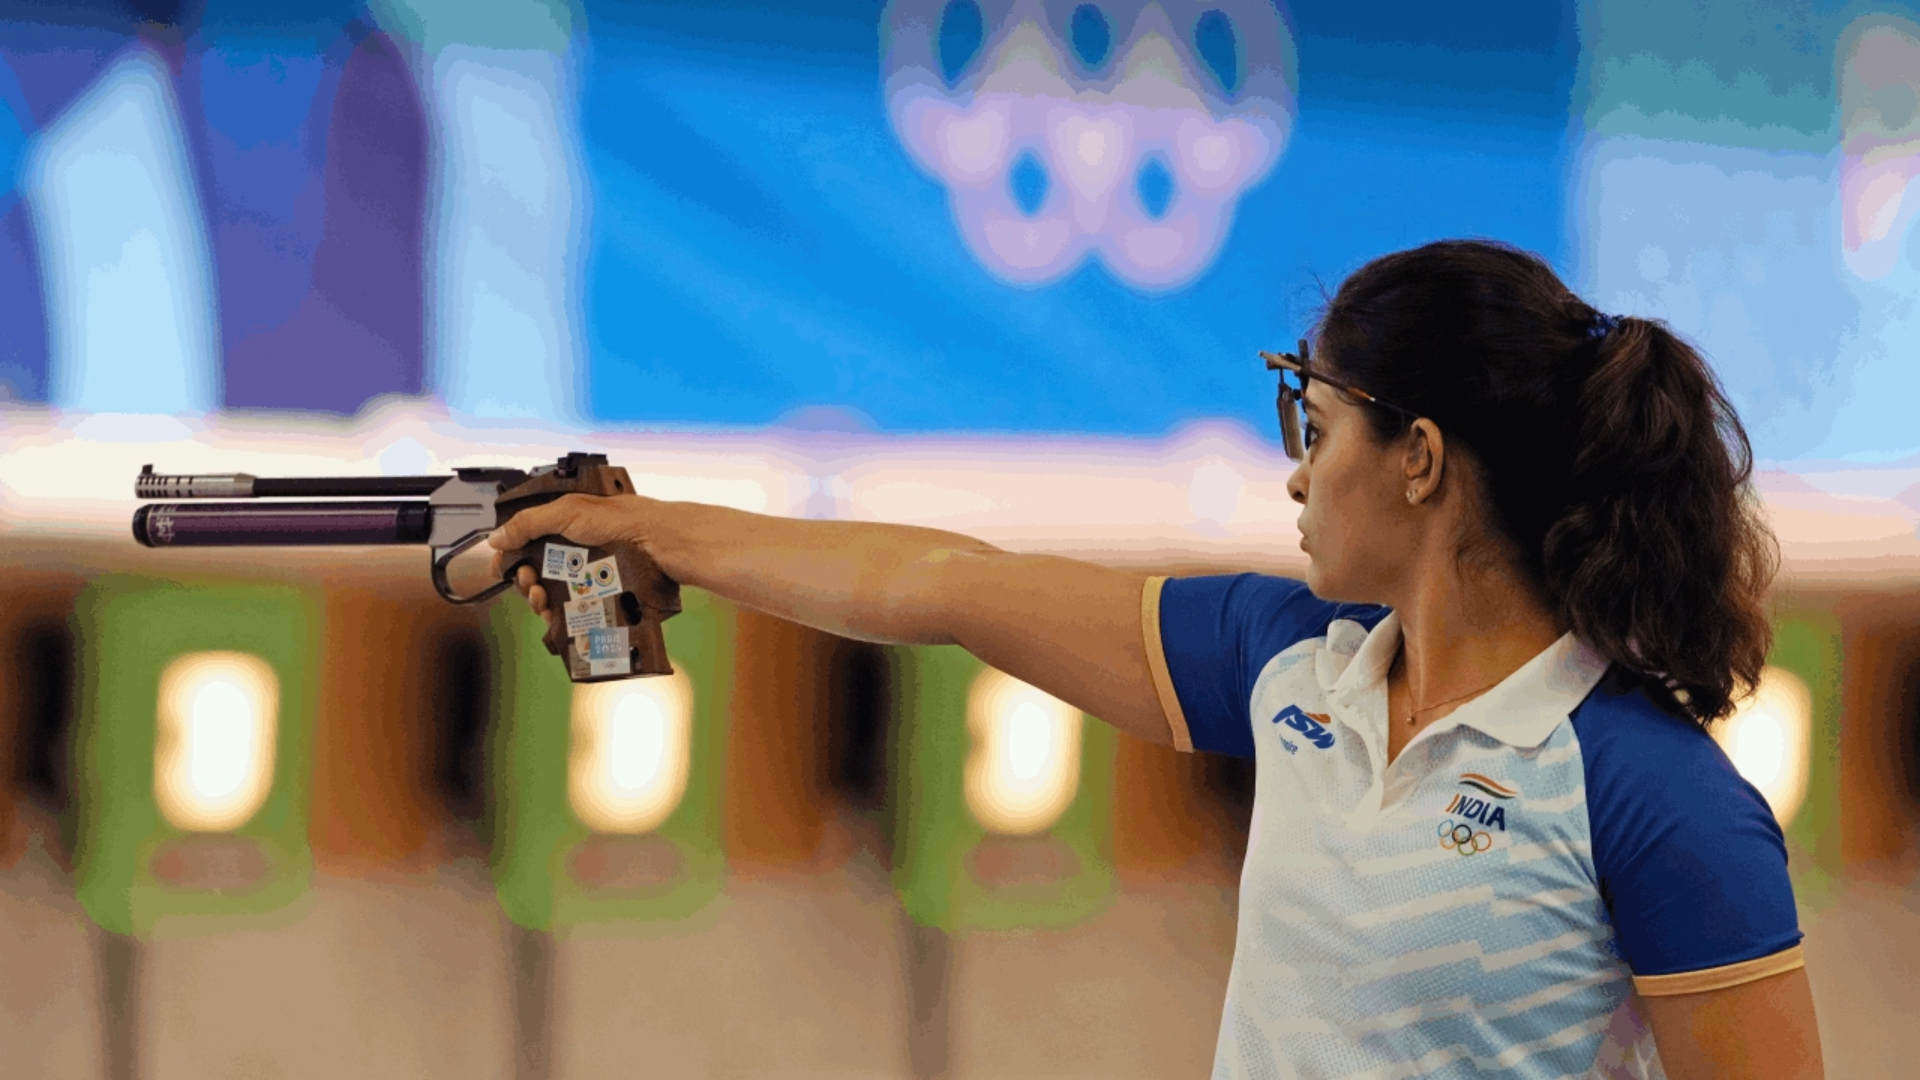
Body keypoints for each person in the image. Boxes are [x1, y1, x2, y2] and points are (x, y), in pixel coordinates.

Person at [491, 239, 1823, 1079]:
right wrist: (649, 530)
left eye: (1321, 417)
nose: (1298, 464)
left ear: (1419, 459)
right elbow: (943, 583)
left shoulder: (1658, 801)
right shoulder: (1291, 662)